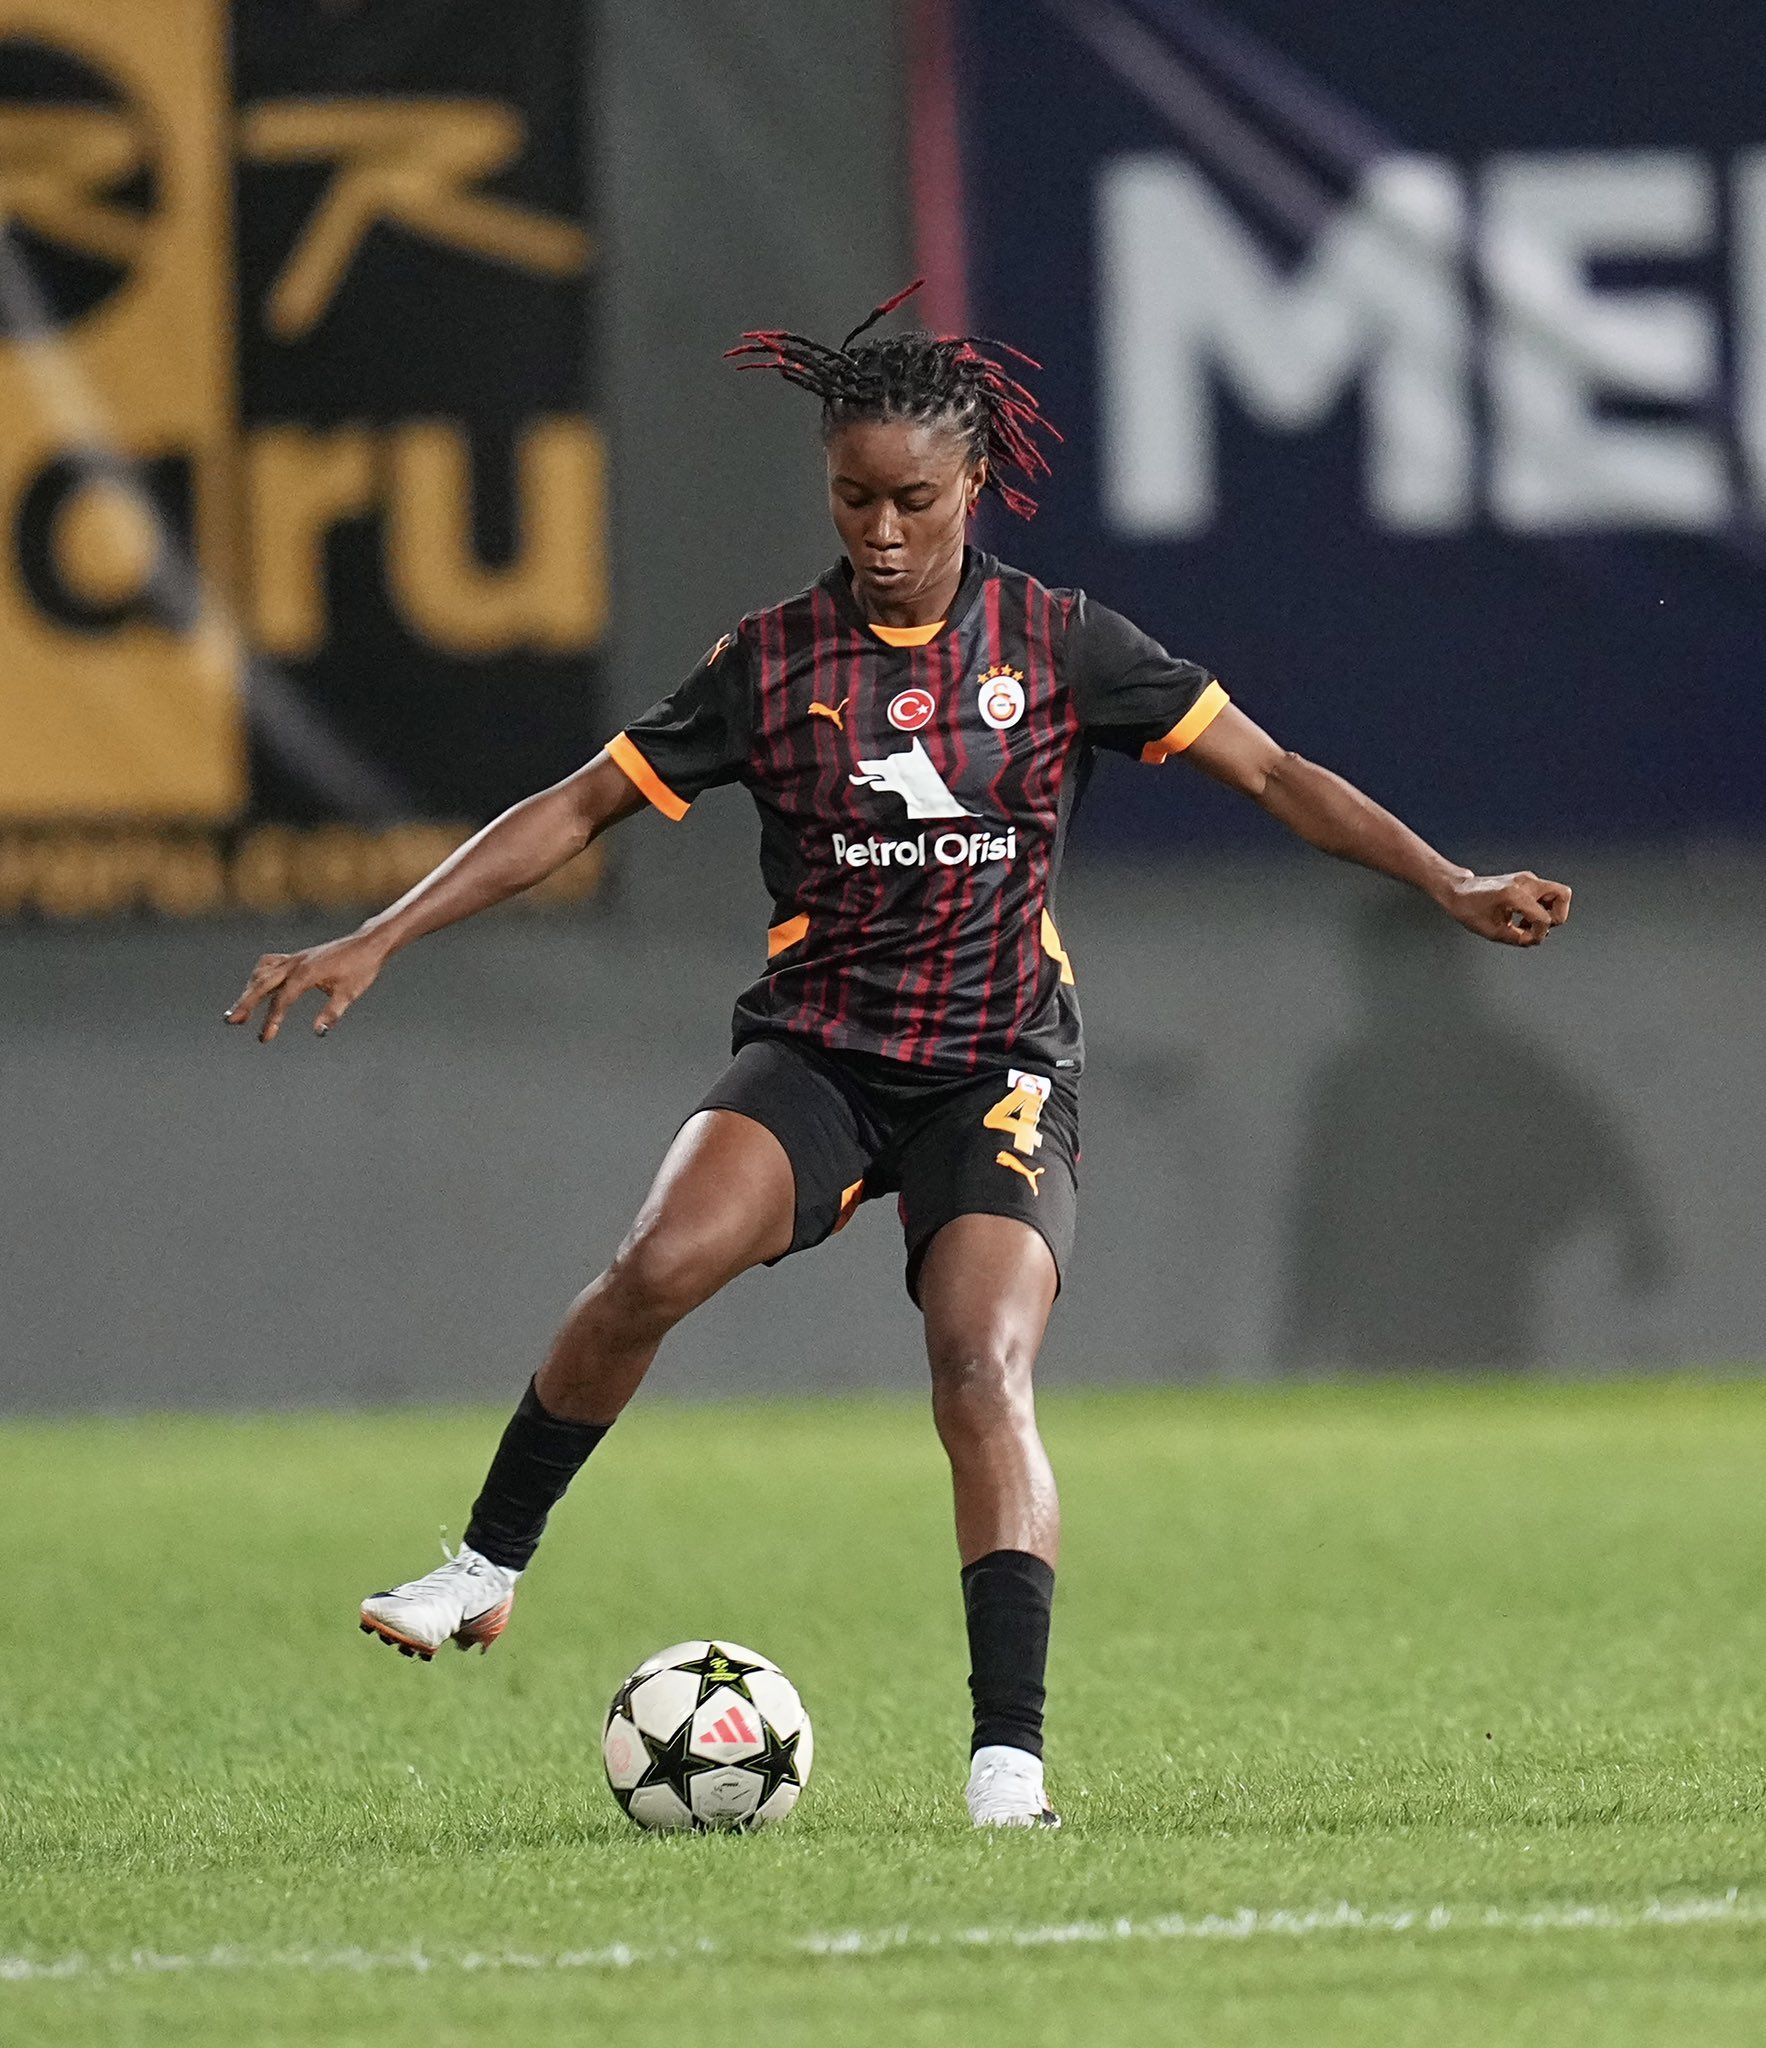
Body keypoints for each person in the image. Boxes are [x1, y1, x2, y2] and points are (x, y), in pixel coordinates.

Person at [225, 284, 1572, 1828]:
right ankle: (483, 1566)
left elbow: (1270, 773)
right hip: (821, 1052)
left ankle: (1008, 1765)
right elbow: (579, 806)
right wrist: (382, 932)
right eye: (851, 497)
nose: (879, 530)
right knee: (654, 1266)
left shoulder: (1060, 643)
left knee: (978, 1365)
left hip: (997, 1064)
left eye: (911, 500)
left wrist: (1443, 881)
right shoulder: (770, 661)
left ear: (972, 482)